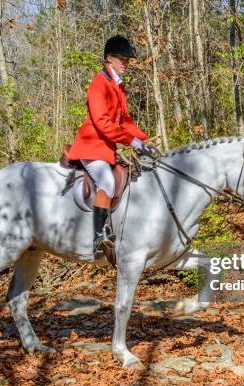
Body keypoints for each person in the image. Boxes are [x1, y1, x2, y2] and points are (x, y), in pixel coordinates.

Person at [66, 35, 149, 259]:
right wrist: (131, 141)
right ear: (109, 58)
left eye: (127, 59)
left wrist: (145, 141)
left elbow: (126, 122)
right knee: (107, 181)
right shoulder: (98, 84)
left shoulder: (117, 86)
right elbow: (103, 123)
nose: (126, 63)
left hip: (105, 148)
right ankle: (97, 236)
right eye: (122, 58)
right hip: (90, 146)